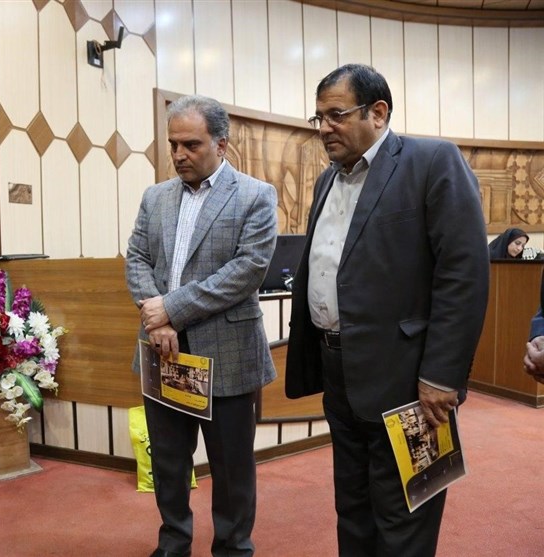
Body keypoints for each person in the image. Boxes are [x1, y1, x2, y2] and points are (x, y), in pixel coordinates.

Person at [285, 64, 489, 557]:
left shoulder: (432, 161)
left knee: (405, 518)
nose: (324, 128)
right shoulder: (326, 181)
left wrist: (441, 375)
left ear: (378, 113)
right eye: (318, 118)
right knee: (352, 507)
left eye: (336, 115)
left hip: (409, 381)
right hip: (338, 372)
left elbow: (463, 275)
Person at [125, 94, 277, 557]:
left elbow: (247, 271)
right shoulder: (155, 197)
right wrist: (157, 321)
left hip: (226, 352)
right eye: (173, 144)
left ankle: (232, 548)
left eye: (191, 144)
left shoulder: (255, 195)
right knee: (169, 462)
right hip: (163, 351)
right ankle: (174, 543)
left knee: (231, 468)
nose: (179, 154)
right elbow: (137, 258)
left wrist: (171, 309)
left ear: (221, 144)